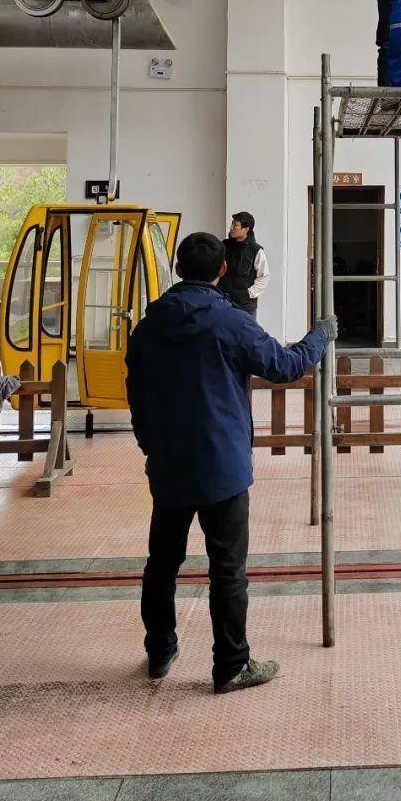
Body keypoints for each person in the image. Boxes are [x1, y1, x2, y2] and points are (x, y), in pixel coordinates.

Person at [126, 231, 337, 693]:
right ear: (223, 270)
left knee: (162, 563)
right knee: (227, 568)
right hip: (222, 466)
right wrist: (320, 338)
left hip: (169, 465)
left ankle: (160, 651)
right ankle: (231, 666)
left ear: (178, 269)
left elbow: (136, 395)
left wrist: (150, 445)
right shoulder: (231, 322)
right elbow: (283, 366)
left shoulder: (149, 326)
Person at [221, 211, 269, 317]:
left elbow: (263, 278)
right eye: (232, 224)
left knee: (246, 333)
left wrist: (248, 294)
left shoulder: (256, 251)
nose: (231, 227)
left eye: (235, 225)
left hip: (245, 307)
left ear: (246, 229)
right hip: (223, 303)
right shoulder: (224, 245)